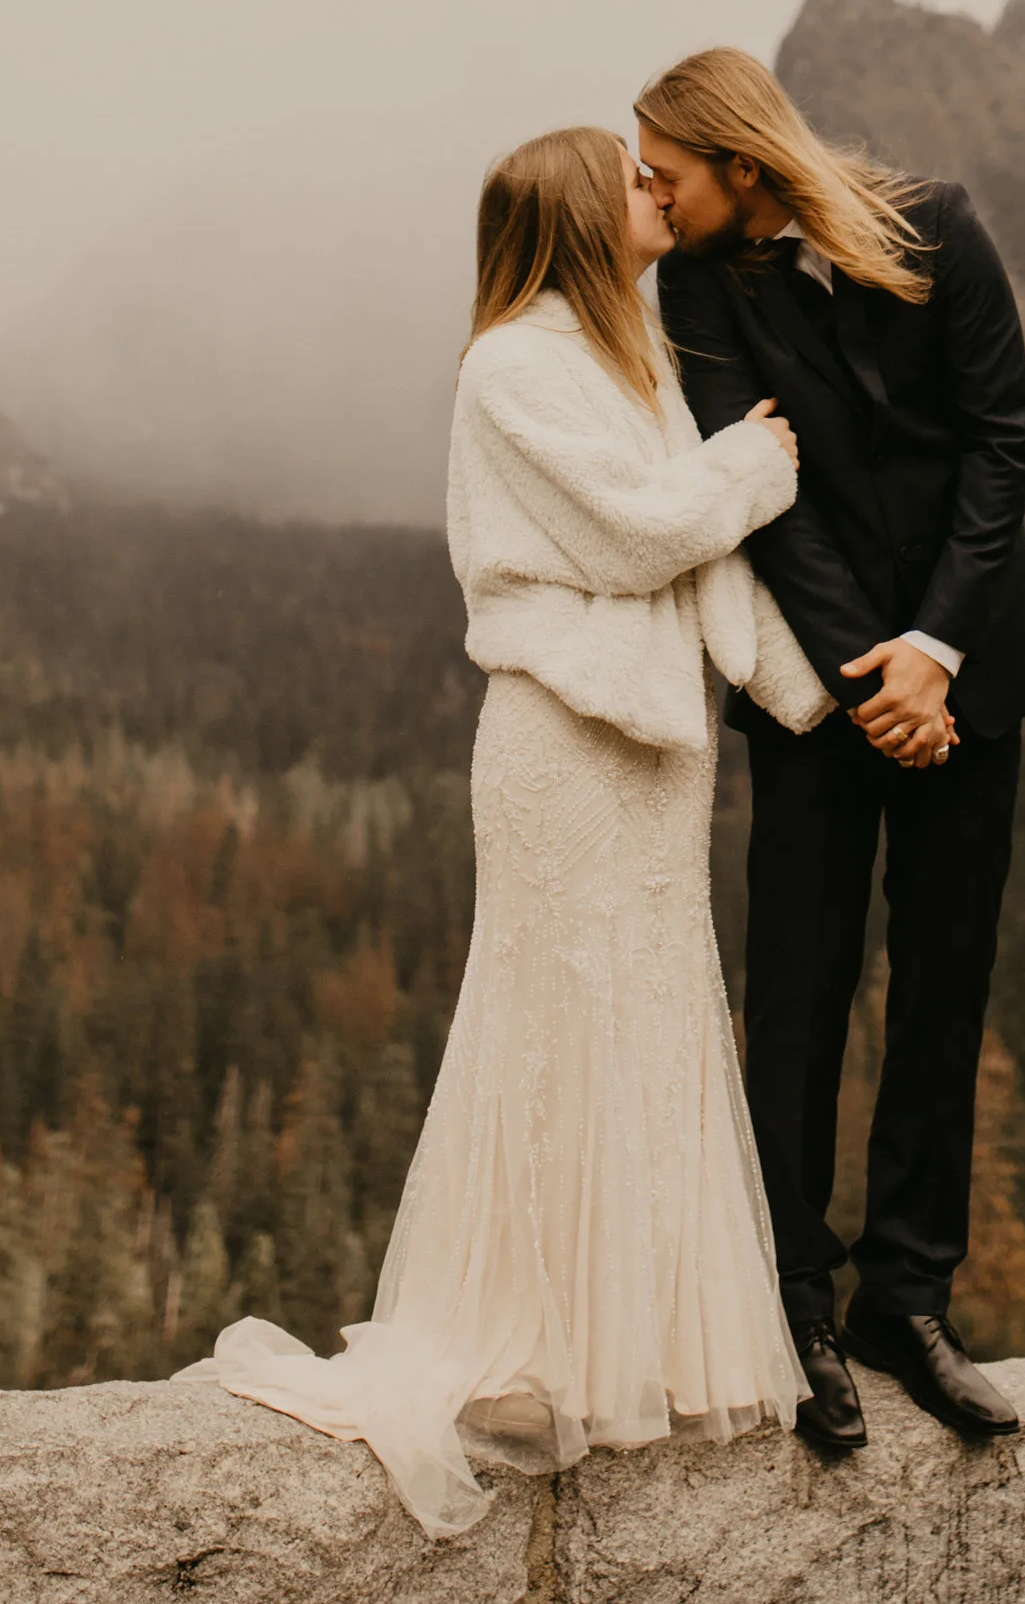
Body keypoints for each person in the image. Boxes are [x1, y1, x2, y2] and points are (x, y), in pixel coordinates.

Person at [187, 125, 831, 1534]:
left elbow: (697, 559)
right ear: (577, 215)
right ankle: (529, 1339)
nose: (657, 189)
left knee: (653, 1012)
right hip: (561, 747)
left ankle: (625, 1349)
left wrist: (814, 694)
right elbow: (637, 532)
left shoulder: (636, 352)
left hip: (657, 757)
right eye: (633, 178)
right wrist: (752, 466)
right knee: (557, 1018)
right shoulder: (510, 364)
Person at [635, 47, 1025, 1457]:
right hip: (824, 694)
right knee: (800, 988)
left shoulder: (937, 224)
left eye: (668, 170)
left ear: (740, 167)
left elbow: (1005, 440)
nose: (653, 191)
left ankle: (910, 1299)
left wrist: (935, 651)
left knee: (945, 981)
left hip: (969, 675)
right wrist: (866, 672)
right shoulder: (695, 290)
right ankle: (795, 1304)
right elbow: (763, 498)